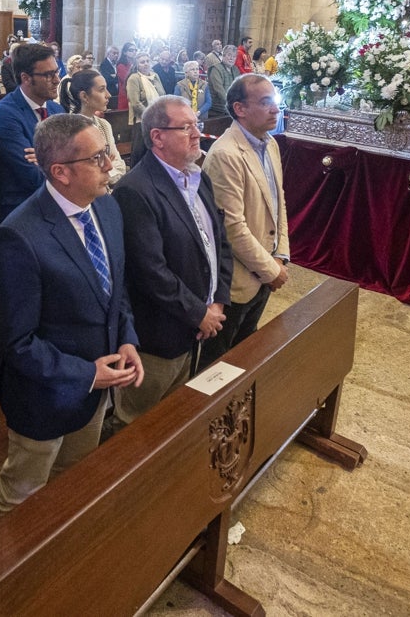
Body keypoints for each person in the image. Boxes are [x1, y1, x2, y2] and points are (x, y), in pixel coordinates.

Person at [0, 113, 142, 521]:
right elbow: (17, 342)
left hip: (95, 392)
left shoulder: (106, 209)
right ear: (60, 172)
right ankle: (6, 575)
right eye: (98, 159)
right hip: (45, 396)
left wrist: (127, 338)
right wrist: (88, 373)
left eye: (106, 153)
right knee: (22, 495)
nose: (110, 165)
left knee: (73, 481)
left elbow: (116, 289)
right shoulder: (19, 236)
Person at [110, 96, 232, 430]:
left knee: (174, 418)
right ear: (158, 137)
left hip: (199, 324)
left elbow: (219, 242)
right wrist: (199, 313)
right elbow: (151, 272)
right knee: (137, 424)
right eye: (186, 127)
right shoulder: (135, 190)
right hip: (158, 336)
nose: (196, 134)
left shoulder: (197, 177)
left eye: (197, 125)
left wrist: (218, 301)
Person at [198, 74, 290, 369]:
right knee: (217, 364)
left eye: (274, 101)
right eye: (265, 103)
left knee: (244, 354)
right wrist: (269, 269)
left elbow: (278, 203)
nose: (275, 109)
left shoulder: (270, 143)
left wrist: (281, 256)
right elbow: (231, 227)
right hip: (238, 279)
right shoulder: (226, 153)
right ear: (239, 108)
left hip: (265, 270)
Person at [0, 42, 66, 226]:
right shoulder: (3, 115)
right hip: (21, 215)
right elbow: (31, 177)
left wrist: (44, 159)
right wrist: (62, 162)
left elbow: (72, 157)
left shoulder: (56, 109)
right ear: (26, 78)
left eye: (57, 72)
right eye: (48, 75)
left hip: (53, 208)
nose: (57, 80)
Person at [69, 69, 127, 186]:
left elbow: (120, 166)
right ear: (84, 96)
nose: (108, 95)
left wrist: (101, 166)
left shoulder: (104, 125)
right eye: (102, 90)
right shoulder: (70, 129)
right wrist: (108, 165)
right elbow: (82, 174)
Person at [206, 43, 238, 120]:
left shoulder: (235, 69)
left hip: (231, 104)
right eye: (229, 55)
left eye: (234, 56)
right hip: (218, 106)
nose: (231, 58)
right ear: (223, 56)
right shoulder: (216, 69)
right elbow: (219, 90)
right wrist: (232, 104)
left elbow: (239, 88)